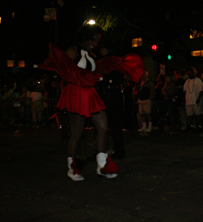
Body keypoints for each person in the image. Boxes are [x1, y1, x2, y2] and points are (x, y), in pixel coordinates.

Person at [39, 24, 143, 181]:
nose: (96, 43)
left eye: (98, 40)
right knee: (77, 133)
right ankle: (72, 168)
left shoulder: (93, 55)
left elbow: (94, 72)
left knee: (102, 127)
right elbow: (64, 69)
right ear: (86, 37)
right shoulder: (73, 50)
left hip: (90, 93)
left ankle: (102, 166)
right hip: (76, 92)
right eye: (94, 39)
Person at [95, 45, 126, 159]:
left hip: (107, 95)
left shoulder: (105, 62)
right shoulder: (116, 62)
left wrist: (103, 79)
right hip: (113, 95)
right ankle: (118, 150)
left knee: (102, 125)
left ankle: (102, 150)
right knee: (115, 125)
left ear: (105, 49)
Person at [183, 68, 203, 132]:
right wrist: (185, 99)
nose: (191, 74)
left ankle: (199, 126)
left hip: (196, 101)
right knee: (190, 115)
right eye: (190, 73)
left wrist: (198, 98)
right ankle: (192, 126)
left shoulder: (198, 80)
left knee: (198, 114)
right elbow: (184, 91)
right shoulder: (187, 81)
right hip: (188, 101)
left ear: (195, 73)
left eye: (192, 72)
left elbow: (201, 91)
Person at [137, 71, 156, 136]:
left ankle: (149, 126)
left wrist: (150, 99)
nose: (142, 77)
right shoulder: (140, 83)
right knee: (142, 113)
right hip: (141, 100)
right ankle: (144, 126)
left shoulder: (149, 83)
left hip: (146, 100)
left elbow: (152, 92)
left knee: (148, 113)